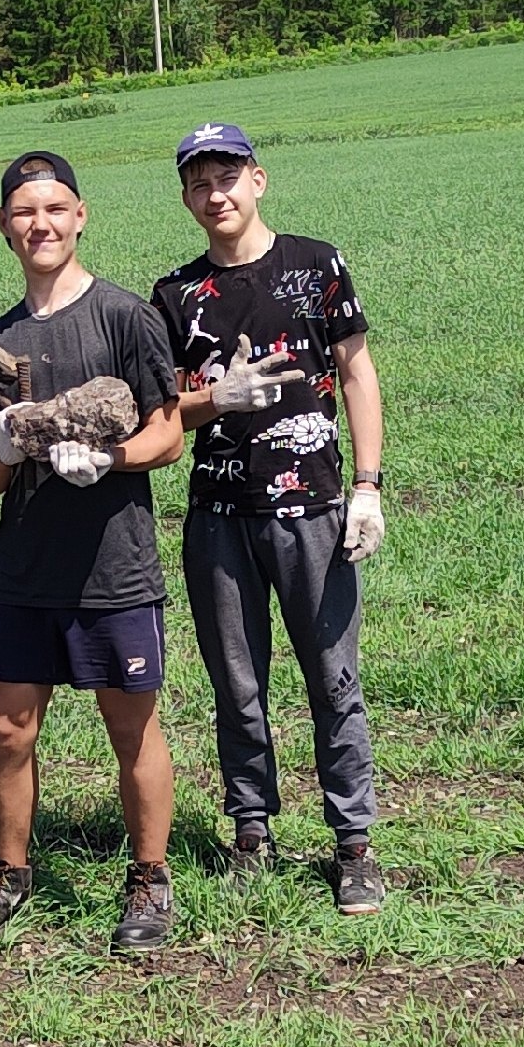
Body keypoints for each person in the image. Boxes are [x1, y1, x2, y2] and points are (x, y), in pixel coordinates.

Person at [0, 151, 186, 951]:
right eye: (23, 211)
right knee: (9, 729)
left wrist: (110, 460)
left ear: (80, 216)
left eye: (54, 209)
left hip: (114, 565)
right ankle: (7, 874)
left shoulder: (124, 317)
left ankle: (149, 879)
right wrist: (10, 446)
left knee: (131, 727)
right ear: (4, 226)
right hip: (24, 570)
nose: (39, 224)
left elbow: (168, 431)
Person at [151, 123, 387, 915]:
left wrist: (367, 485)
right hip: (219, 518)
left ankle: (353, 843)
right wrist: (215, 396)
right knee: (237, 685)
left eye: (227, 176)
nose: (214, 194)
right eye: (198, 183)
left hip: (316, 509)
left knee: (334, 679)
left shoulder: (317, 265)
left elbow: (356, 374)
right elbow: (162, 414)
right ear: (185, 197)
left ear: (259, 180)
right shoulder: (175, 296)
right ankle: (252, 830)